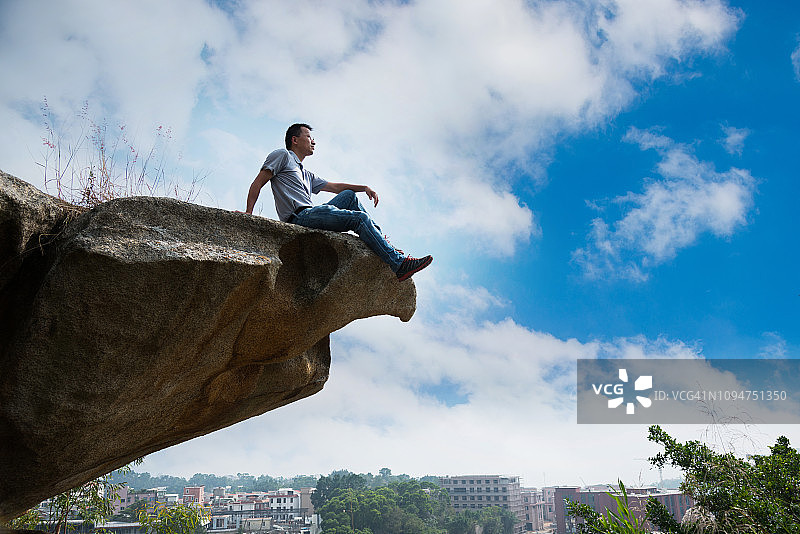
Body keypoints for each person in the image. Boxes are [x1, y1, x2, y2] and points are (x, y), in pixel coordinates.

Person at [246, 123, 433, 281]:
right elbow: (258, 182)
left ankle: (383, 242)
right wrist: (248, 214)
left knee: (349, 196)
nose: (313, 141)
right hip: (299, 217)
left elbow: (335, 187)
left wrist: (364, 187)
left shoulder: (305, 173)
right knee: (358, 219)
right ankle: (399, 265)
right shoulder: (283, 156)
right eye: (309, 137)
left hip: (311, 214)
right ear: (294, 140)